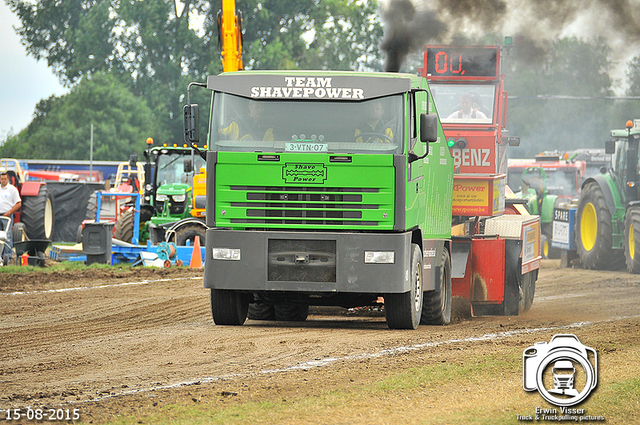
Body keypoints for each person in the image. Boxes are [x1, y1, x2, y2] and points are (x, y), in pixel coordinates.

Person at [0, 171, 22, 259]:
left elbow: (18, 203)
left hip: (7, 215)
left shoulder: (12, 189)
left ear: (8, 179)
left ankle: (7, 256)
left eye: (5, 179)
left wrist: (9, 212)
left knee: (7, 236)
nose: (3, 181)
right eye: (1, 179)